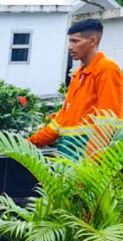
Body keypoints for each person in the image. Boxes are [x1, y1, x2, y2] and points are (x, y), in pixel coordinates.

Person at [29, 19, 123, 157]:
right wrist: (30, 142)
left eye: (75, 41)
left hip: (87, 157)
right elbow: (61, 121)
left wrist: (92, 163)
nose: (70, 46)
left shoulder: (107, 70)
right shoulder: (78, 75)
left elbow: (108, 120)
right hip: (68, 153)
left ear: (92, 41)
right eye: (70, 41)